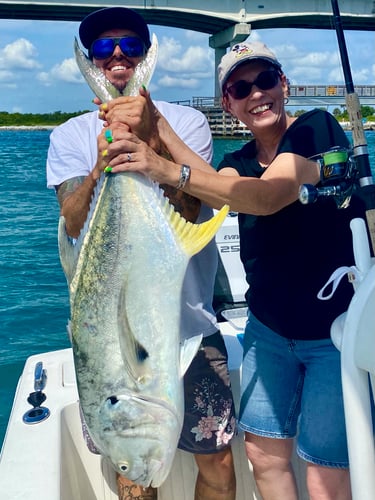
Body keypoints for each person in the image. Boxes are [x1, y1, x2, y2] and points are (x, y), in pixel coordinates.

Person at [102, 40, 371, 499]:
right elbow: (214, 185)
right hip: (268, 334)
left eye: (265, 80)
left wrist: (165, 169)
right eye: (240, 88)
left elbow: (267, 195)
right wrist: (155, 123)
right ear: (229, 102)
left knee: (326, 474)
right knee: (264, 459)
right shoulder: (237, 163)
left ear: (283, 84)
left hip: (335, 335)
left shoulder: (316, 130)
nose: (256, 94)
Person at [46, 7, 236, 500]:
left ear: (144, 56)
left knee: (216, 458)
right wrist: (101, 167)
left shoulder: (187, 123)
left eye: (130, 46)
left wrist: (150, 139)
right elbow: (71, 217)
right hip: (108, 341)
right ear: (92, 59)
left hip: (190, 323)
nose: (116, 56)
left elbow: (194, 207)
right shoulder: (68, 135)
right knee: (132, 473)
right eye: (104, 49)